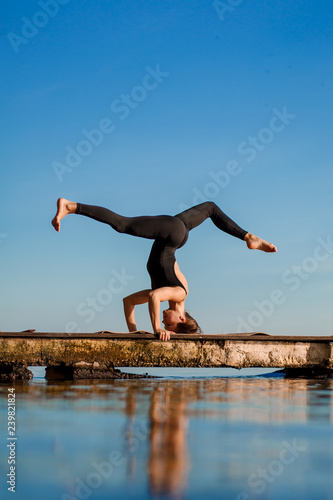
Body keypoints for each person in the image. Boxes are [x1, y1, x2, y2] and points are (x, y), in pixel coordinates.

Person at [52, 198, 277, 340]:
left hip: (176, 234)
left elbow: (127, 302)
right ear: (180, 319)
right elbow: (154, 296)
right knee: (123, 224)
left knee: (210, 207)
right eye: (167, 323)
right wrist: (155, 331)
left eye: (162, 324)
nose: (163, 321)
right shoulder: (179, 293)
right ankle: (71, 206)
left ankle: (249, 237)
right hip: (172, 233)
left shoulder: (171, 295)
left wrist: (134, 333)